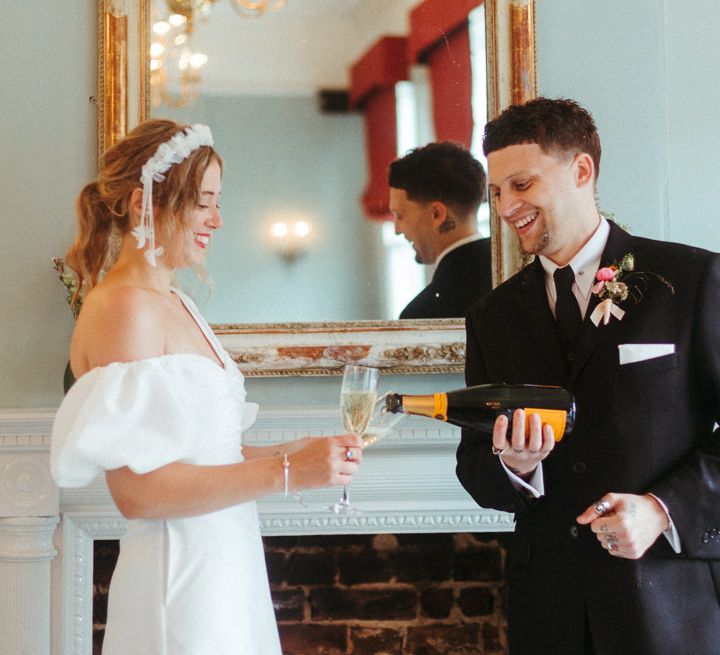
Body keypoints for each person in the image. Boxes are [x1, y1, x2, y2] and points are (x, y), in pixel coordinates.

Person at [50, 119, 364, 655]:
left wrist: (308, 456)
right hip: (180, 573)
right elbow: (138, 493)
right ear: (141, 202)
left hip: (226, 561)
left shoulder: (176, 302)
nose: (218, 220)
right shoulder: (124, 309)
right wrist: (285, 472)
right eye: (202, 202)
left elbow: (209, 454)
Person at [455, 97, 720, 654]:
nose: (506, 207)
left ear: (582, 170)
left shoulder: (692, 280)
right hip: (549, 612)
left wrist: (661, 509)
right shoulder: (491, 319)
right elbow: (474, 468)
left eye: (522, 185)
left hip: (669, 603)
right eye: (496, 192)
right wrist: (515, 467)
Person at [388, 141, 492, 319]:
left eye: (400, 216)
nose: (397, 230)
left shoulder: (423, 314)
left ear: (437, 214)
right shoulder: (517, 278)